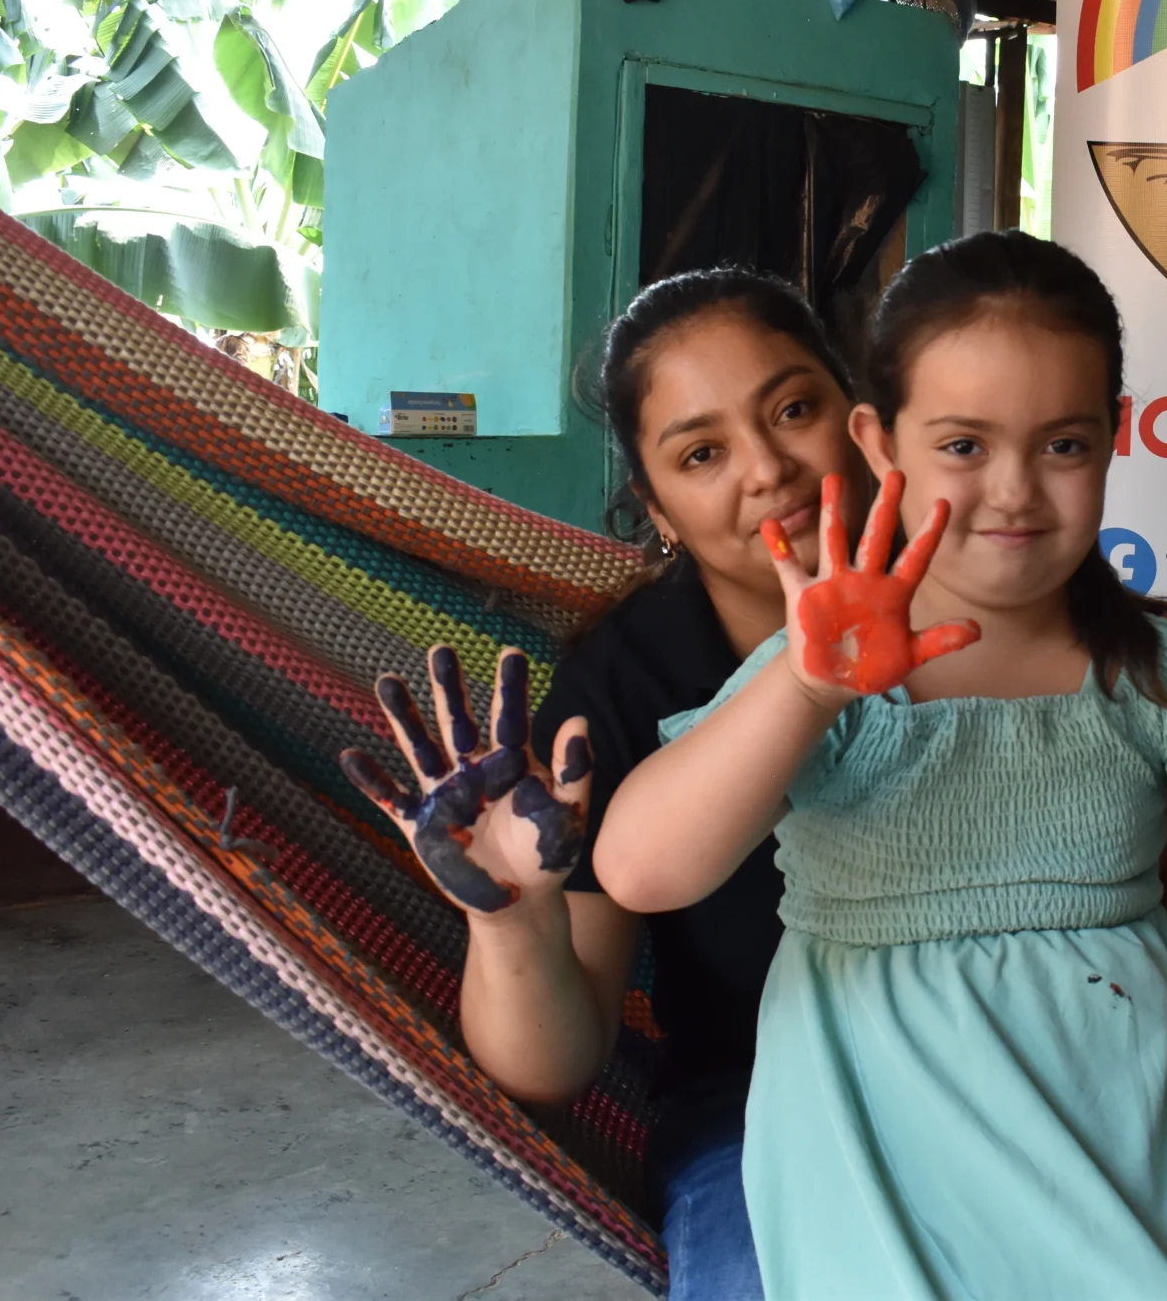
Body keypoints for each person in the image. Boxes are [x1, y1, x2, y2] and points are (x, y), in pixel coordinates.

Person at [592, 231, 1167, 1299]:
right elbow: (644, 869)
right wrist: (806, 692)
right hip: (883, 1135)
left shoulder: (1155, 669)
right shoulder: (828, 667)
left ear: (1112, 439)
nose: (1013, 491)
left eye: (1062, 445)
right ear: (881, 445)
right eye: (963, 446)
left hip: (1125, 1125)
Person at [341, 267, 870, 1301]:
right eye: (702, 453)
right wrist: (509, 919)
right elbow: (555, 1066)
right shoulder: (626, 685)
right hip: (757, 1107)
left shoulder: (996, 602)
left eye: (795, 409)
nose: (767, 469)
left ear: (864, 421)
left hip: (1019, 1068)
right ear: (657, 507)